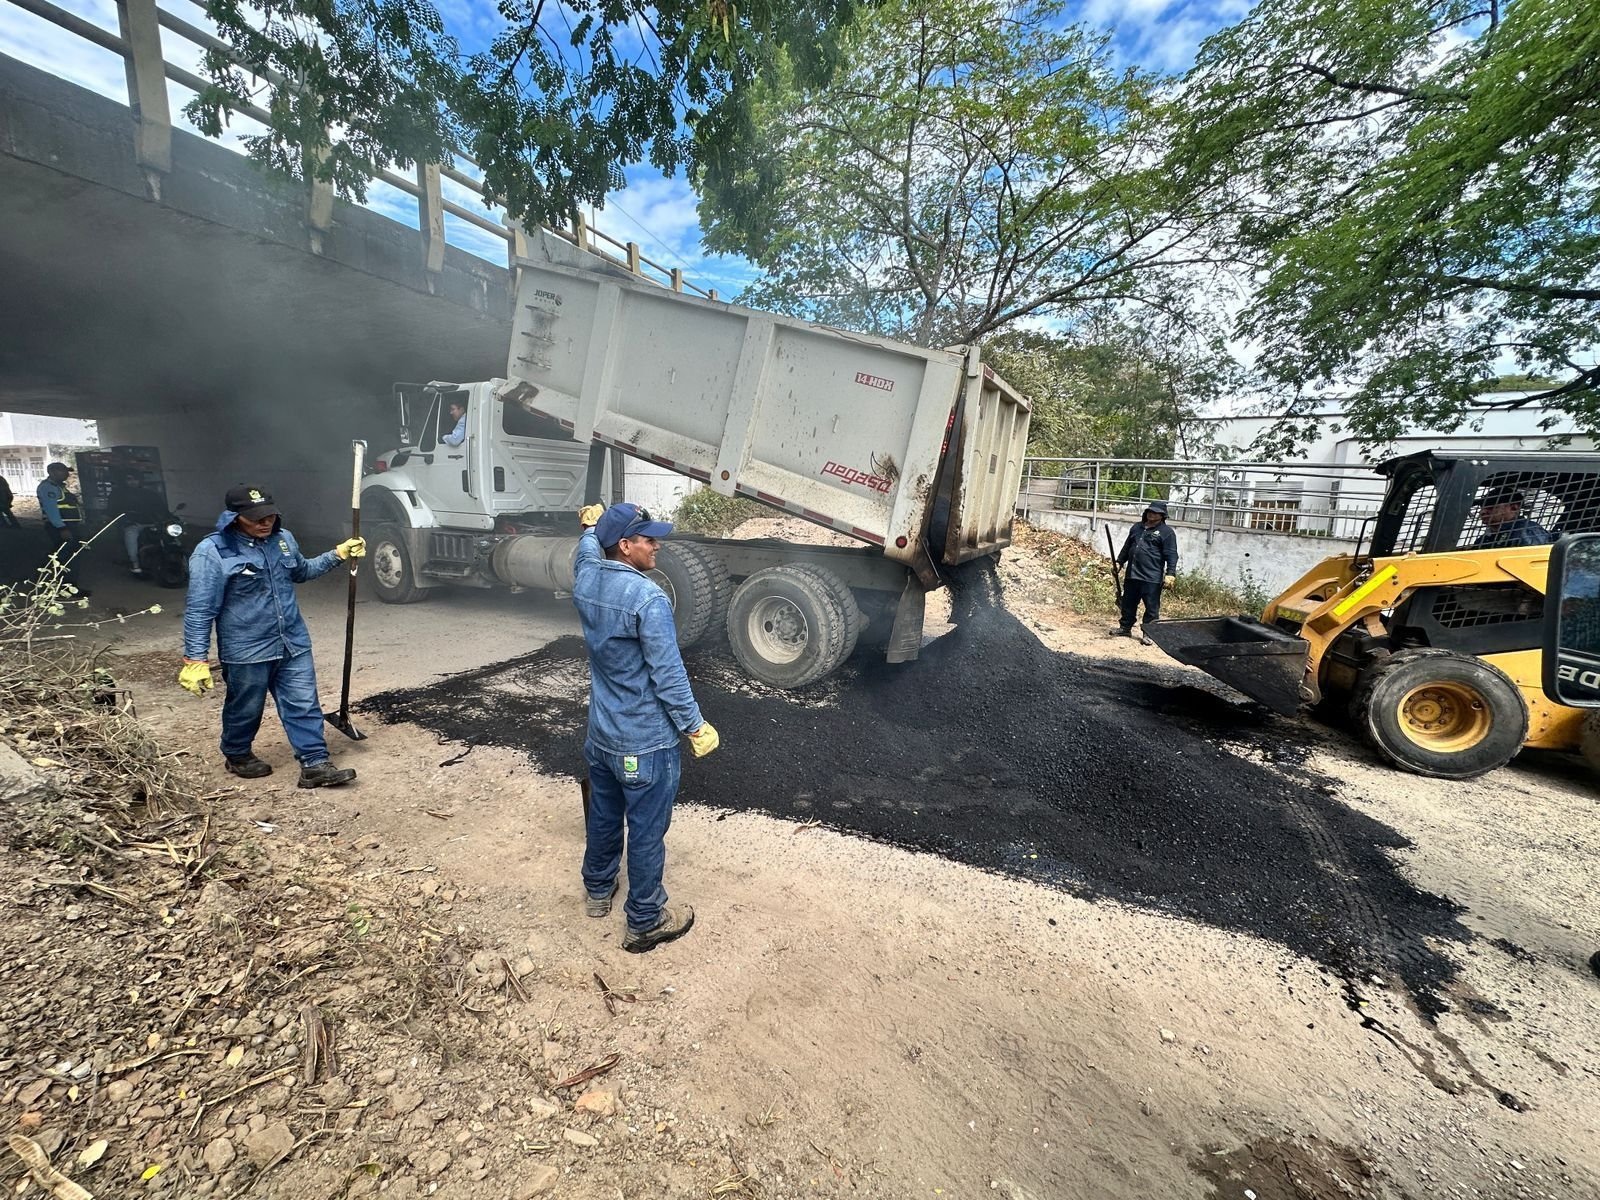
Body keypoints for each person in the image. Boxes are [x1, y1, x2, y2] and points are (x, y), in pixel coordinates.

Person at [573, 501, 719, 954]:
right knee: (646, 830)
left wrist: (588, 527)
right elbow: (668, 674)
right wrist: (694, 726)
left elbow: (584, 551)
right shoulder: (648, 599)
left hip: (601, 735)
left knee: (602, 814)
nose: (656, 545)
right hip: (644, 742)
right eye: (647, 539)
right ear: (624, 545)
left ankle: (598, 892)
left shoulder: (586, 578)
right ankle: (645, 920)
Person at [178, 485, 366, 788]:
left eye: (269, 515)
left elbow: (302, 572)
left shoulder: (283, 540)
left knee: (304, 703)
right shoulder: (212, 551)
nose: (265, 522)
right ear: (235, 517)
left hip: (292, 641)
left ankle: (315, 763)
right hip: (247, 649)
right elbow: (200, 610)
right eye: (256, 518)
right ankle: (237, 754)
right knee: (245, 707)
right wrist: (195, 659)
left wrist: (338, 554)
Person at [1110, 500, 1179, 644]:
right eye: (1150, 511)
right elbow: (1127, 547)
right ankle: (1125, 628)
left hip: (1151, 577)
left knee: (1151, 607)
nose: (1151, 514)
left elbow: (1171, 554)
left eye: (1155, 512)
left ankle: (1149, 633)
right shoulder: (1137, 528)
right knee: (1128, 603)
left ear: (1162, 515)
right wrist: (1119, 562)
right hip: (1132, 574)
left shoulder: (1167, 533)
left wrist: (1170, 574)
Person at [37, 462, 85, 590]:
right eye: (62, 471)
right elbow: (51, 509)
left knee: (64, 554)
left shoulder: (60, 487)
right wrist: (62, 528)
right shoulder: (48, 487)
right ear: (51, 472)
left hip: (67, 525)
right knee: (68, 556)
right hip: (62, 526)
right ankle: (67, 586)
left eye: (67, 471)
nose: (66, 474)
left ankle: (55, 580)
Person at [1472, 488, 1551, 549]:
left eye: (1490, 506)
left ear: (1514, 507)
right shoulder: (1485, 538)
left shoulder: (1526, 532)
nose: (1482, 512)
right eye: (1481, 507)